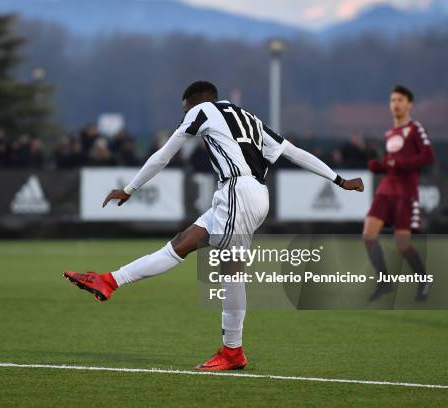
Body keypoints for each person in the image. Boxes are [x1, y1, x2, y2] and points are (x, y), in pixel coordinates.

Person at [64, 81, 363, 371]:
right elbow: (294, 152)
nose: (185, 116)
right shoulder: (249, 118)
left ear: (196, 101)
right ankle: (109, 281)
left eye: (185, 110)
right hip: (248, 194)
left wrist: (130, 188)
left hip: (238, 192)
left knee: (231, 269)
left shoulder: (202, 110)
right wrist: (338, 179)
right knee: (182, 243)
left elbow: (165, 154)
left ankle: (233, 351)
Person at [364, 85, 434, 301]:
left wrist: (400, 163)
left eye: (400, 100)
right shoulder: (390, 133)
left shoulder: (415, 129)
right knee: (368, 235)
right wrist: (380, 166)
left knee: (402, 244)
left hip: (405, 192)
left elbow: (428, 156)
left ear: (409, 104)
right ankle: (385, 280)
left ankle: (424, 280)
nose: (396, 104)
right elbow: (391, 162)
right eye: (393, 100)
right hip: (386, 190)